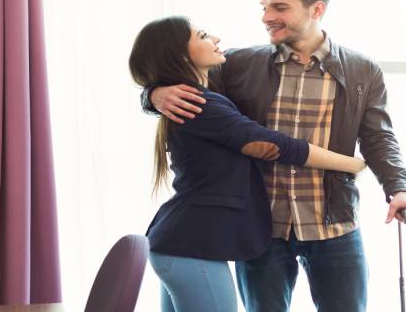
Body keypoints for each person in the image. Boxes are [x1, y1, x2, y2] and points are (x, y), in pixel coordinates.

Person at [142, 0, 406, 312]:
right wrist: (154, 93)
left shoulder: (361, 69)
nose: (267, 17)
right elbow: (185, 86)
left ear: (316, 9)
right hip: (263, 228)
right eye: (263, 7)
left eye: (279, 8)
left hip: (333, 224)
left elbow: (379, 137)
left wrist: (401, 188)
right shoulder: (237, 64)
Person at [130, 16, 367, 312]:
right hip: (189, 248)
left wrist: (154, 91)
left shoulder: (206, 91)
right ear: (180, 55)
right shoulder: (201, 105)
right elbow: (274, 146)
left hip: (177, 245)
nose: (216, 38)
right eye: (203, 35)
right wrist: (352, 164)